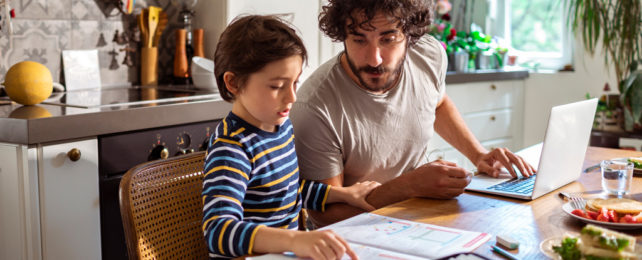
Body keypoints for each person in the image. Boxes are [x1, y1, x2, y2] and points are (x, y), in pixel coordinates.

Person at [290, 0, 536, 227]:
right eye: (359, 39)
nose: (374, 59)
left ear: (410, 34)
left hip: (419, 213)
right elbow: (325, 215)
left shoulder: (428, 53)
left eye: (388, 39)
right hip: (356, 232)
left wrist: (478, 154)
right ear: (342, 35)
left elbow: (437, 103)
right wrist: (408, 187)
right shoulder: (315, 108)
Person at [202, 15, 380, 260]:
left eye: (295, 83)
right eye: (277, 86)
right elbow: (218, 231)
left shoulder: (281, 128)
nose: (292, 97)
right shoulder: (232, 148)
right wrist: (295, 239)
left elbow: (287, 190)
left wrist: (342, 194)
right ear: (233, 83)